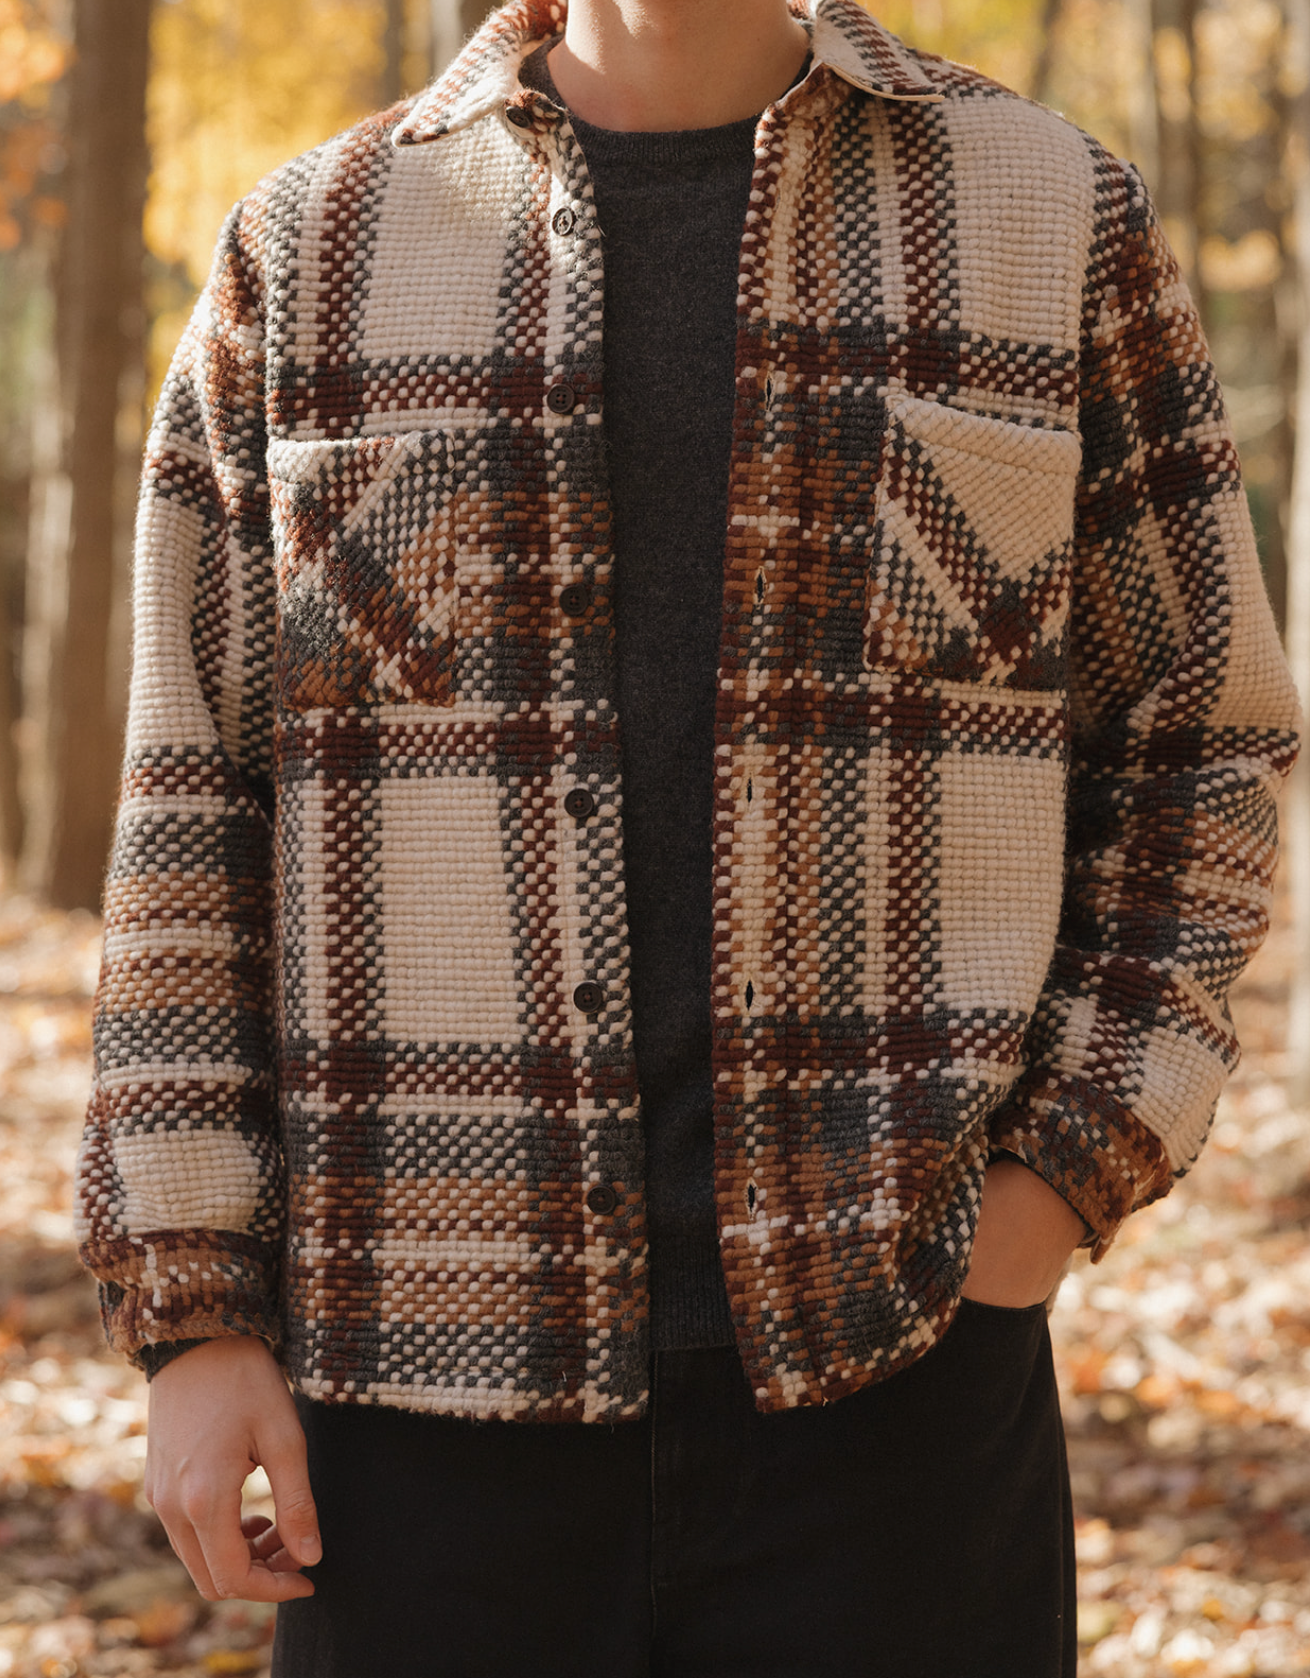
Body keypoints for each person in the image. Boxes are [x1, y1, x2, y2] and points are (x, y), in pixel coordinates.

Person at [76, 0, 1301, 1672]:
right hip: (413, 1403)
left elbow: (1200, 737)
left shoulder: (1046, 215)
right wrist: (196, 1313)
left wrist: (1058, 1171)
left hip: (896, 1379)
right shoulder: (312, 246)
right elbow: (192, 805)